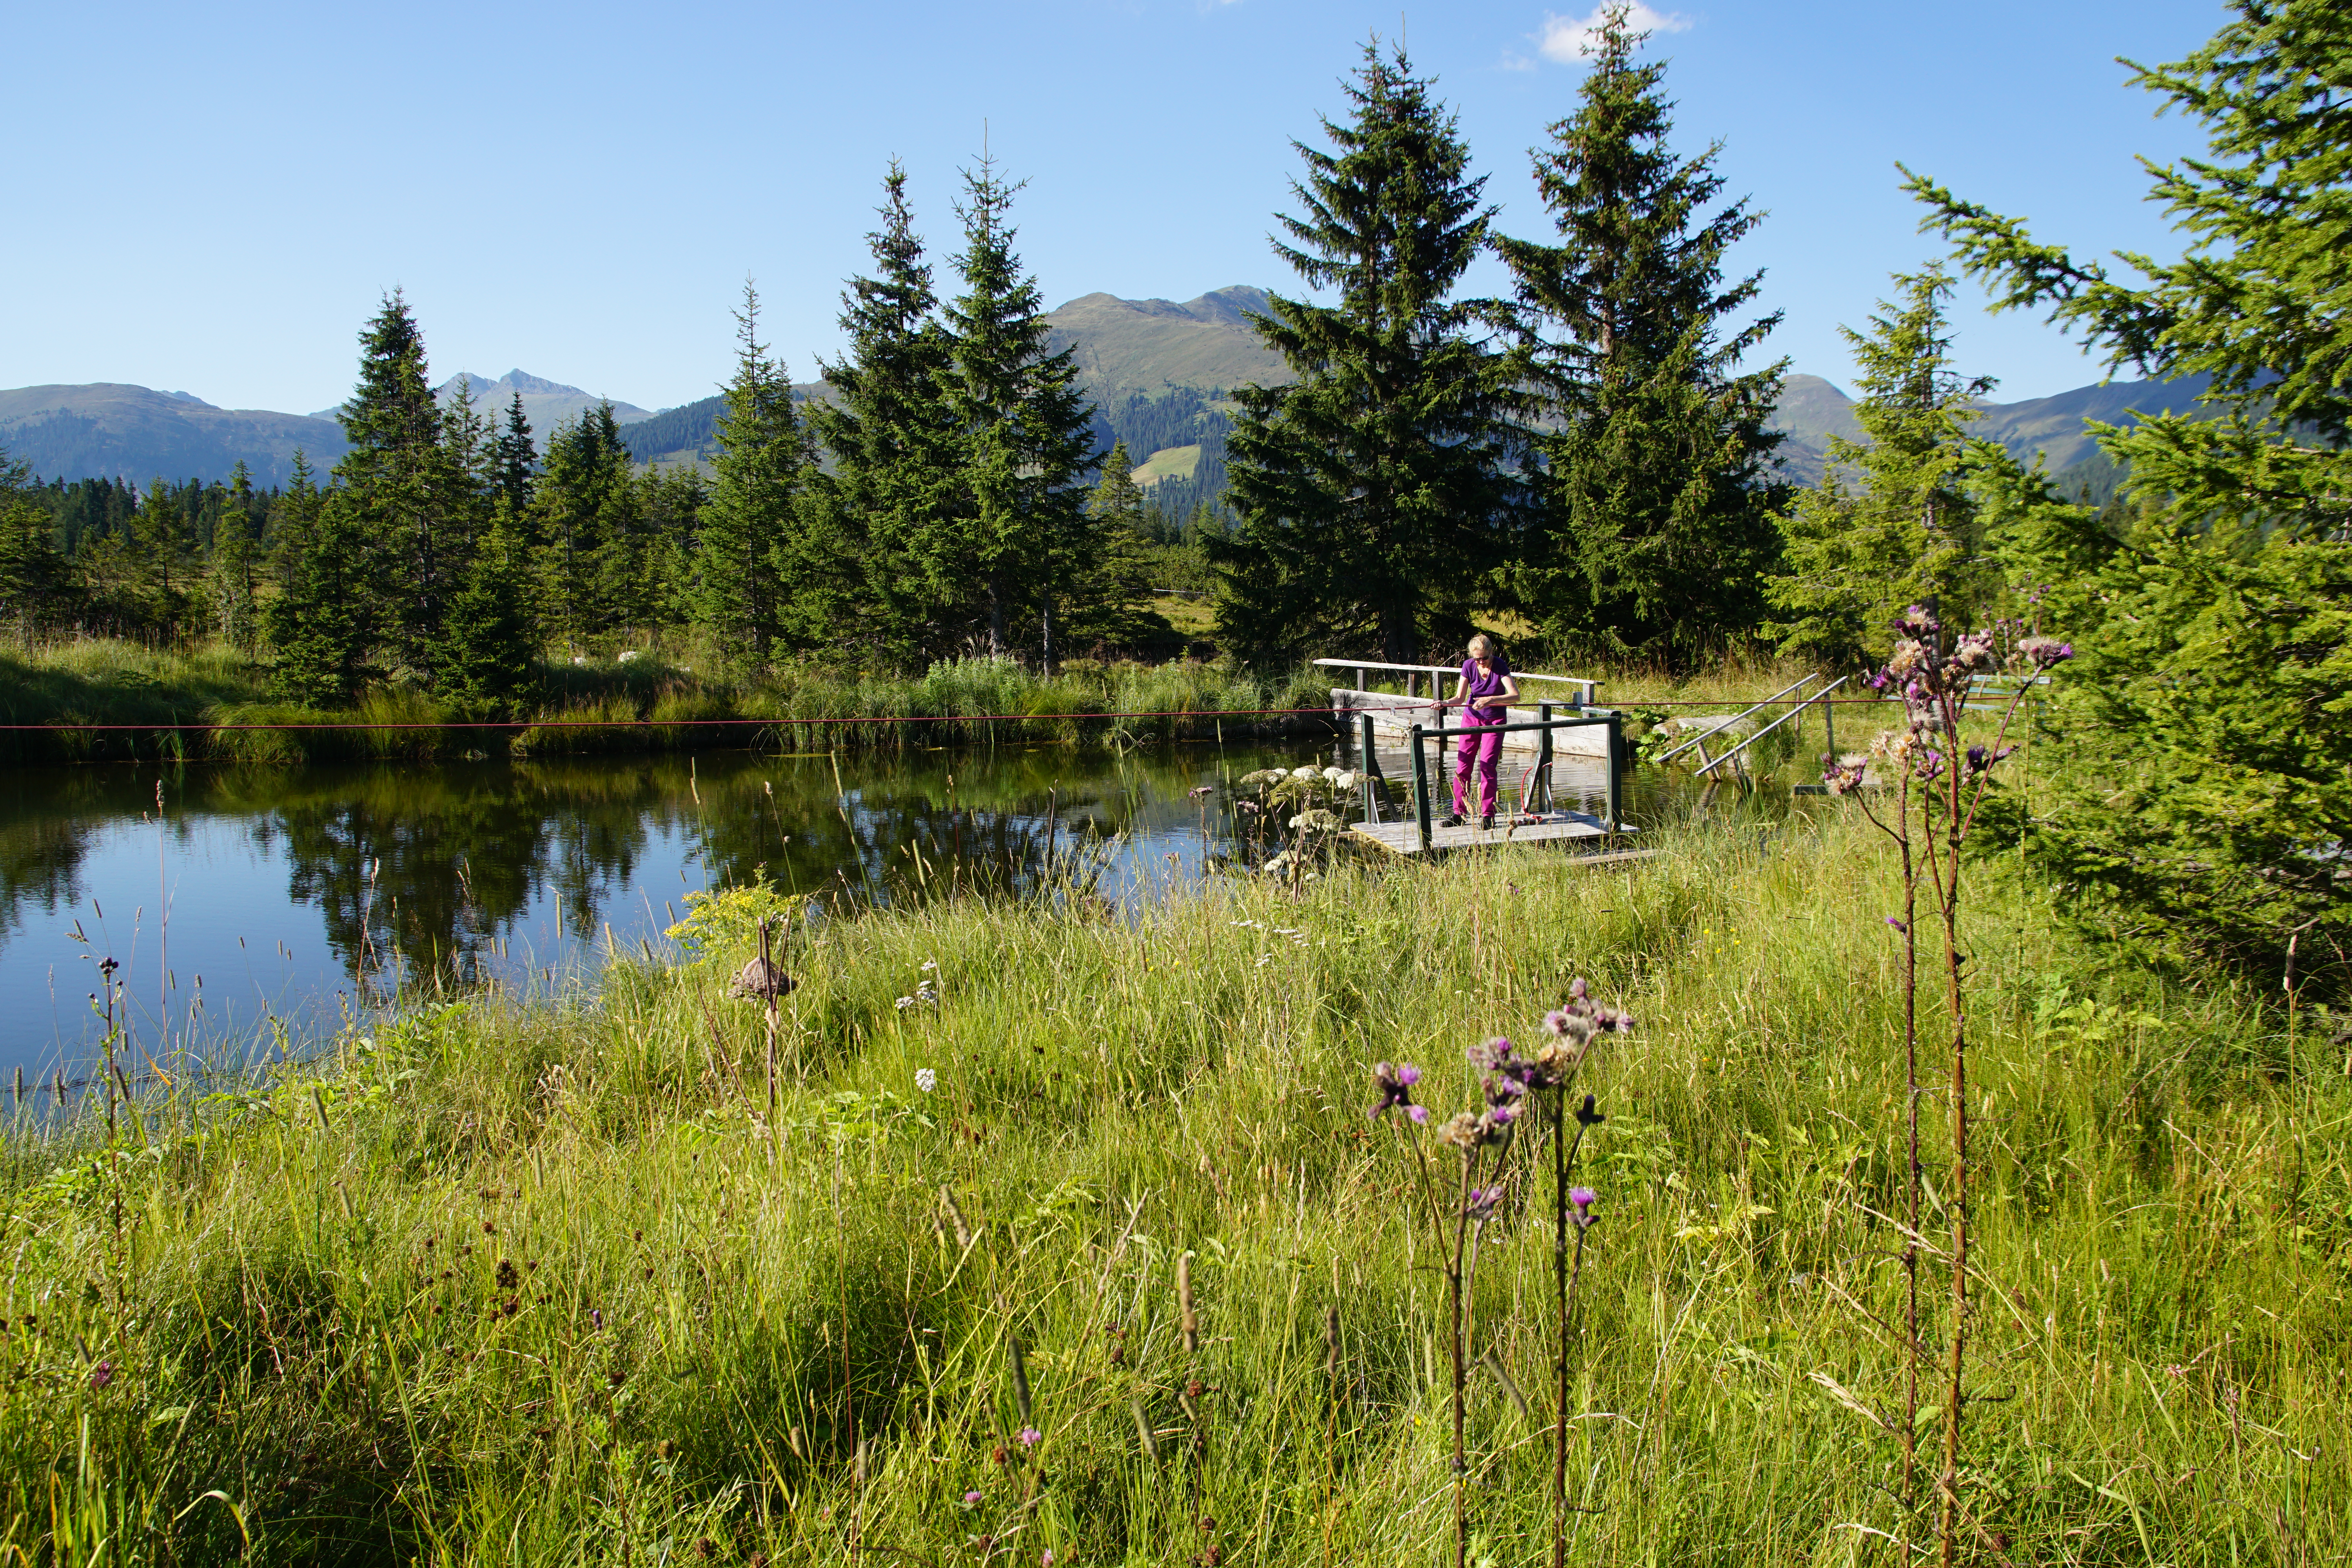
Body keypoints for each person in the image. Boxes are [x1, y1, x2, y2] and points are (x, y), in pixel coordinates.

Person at [1448, 634, 1518, 829]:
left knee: (1487, 766)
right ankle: (1458, 814)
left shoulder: (1500, 666)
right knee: (1463, 767)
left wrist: (1491, 699)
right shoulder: (1468, 666)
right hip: (1471, 718)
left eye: (1484, 658)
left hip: (1495, 721)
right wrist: (1444, 703)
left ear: (1491, 652)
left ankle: (1488, 816)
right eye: (1477, 658)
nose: (1481, 662)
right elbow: (1459, 698)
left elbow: (1515, 696)